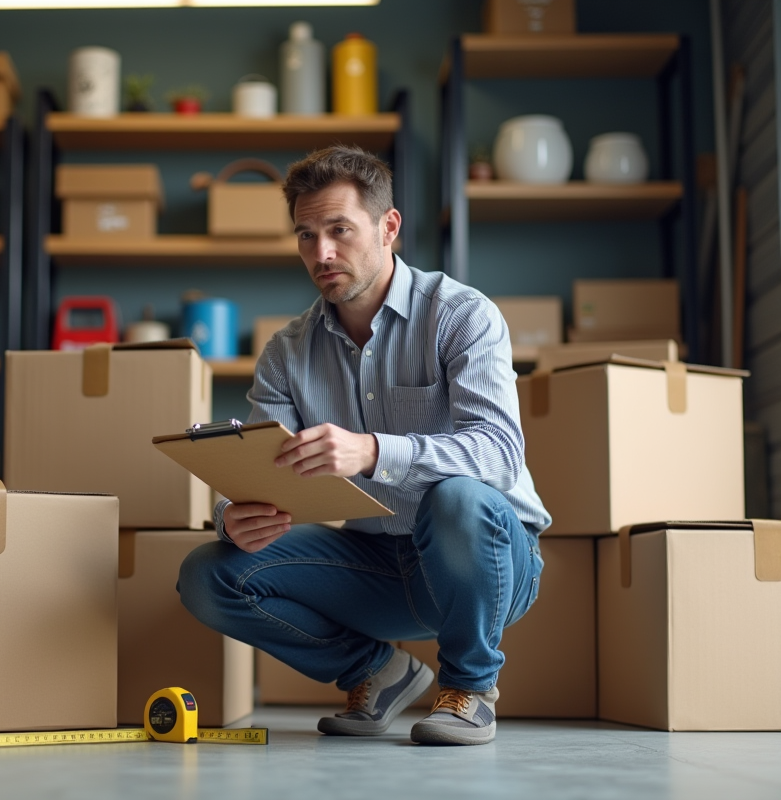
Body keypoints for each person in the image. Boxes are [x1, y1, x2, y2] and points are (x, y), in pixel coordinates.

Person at [177, 144, 551, 746]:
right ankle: (376, 671)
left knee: (458, 499)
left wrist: (374, 450)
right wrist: (234, 517)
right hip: (376, 565)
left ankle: (470, 687)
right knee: (207, 574)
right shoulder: (286, 352)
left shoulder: (461, 315)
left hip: (486, 563)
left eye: (340, 230)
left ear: (389, 227)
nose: (321, 253)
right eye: (305, 235)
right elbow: (261, 473)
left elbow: (499, 454)